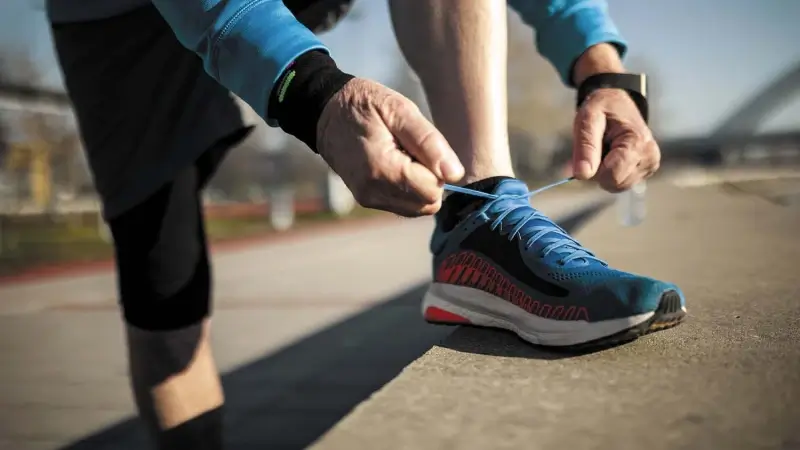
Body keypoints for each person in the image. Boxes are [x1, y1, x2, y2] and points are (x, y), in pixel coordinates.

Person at [46, 0, 686, 447]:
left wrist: (604, 69)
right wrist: (315, 93)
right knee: (166, 308)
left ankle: (481, 219)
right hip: (119, 21)